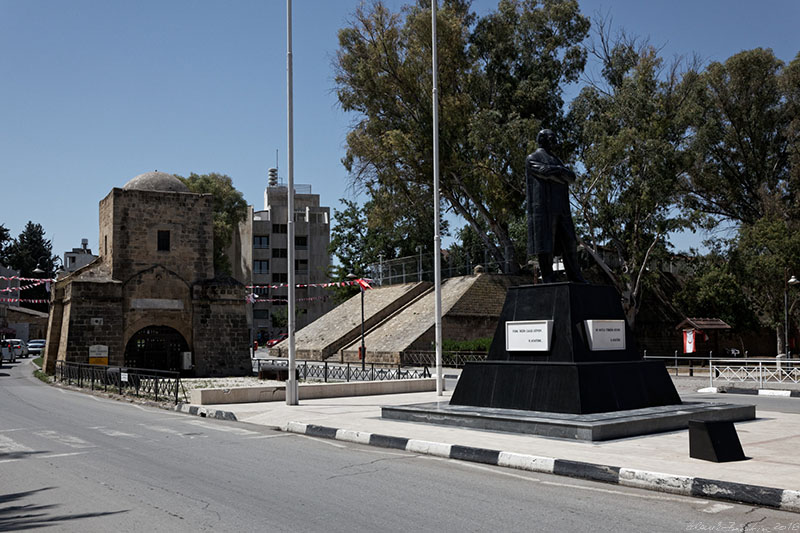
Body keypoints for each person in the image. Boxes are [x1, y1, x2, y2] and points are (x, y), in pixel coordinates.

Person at [525, 129, 587, 283]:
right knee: (546, 245)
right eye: (552, 138)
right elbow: (544, 172)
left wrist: (558, 172)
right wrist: (561, 173)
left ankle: (575, 276)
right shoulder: (533, 157)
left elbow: (572, 177)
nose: (555, 141)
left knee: (570, 242)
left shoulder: (557, 160)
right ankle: (548, 277)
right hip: (544, 209)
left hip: (562, 208)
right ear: (542, 139)